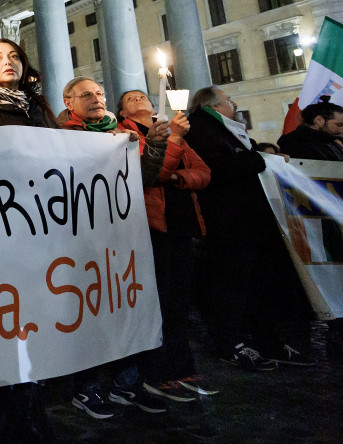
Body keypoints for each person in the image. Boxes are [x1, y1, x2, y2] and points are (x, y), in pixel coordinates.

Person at [184, 86, 315, 372]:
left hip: (248, 220)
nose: (234, 103)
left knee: (257, 283)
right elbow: (216, 168)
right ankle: (231, 343)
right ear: (214, 106)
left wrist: (260, 151)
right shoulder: (200, 129)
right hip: (226, 221)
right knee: (230, 285)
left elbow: (240, 155)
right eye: (229, 100)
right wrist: (258, 158)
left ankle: (265, 340)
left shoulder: (225, 129)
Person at [60, 77, 169, 419]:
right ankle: (86, 387)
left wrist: (155, 146)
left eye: (100, 94)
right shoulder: (63, 135)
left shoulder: (124, 133)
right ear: (69, 103)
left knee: (127, 309)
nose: (96, 99)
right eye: (86, 95)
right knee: (89, 314)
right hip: (84, 241)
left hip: (126, 237)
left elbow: (146, 178)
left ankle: (127, 383)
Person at [116, 90, 216, 400]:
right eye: (130, 99)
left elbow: (203, 173)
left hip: (181, 225)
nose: (139, 99)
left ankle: (182, 369)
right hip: (151, 228)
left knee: (179, 302)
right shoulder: (123, 135)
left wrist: (176, 178)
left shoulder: (175, 132)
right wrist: (171, 144)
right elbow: (150, 174)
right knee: (157, 302)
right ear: (122, 112)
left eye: (142, 96)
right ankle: (156, 374)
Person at [278, 97, 343, 162]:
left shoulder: (331, 142)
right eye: (339, 125)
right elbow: (316, 171)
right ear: (319, 120)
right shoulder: (294, 142)